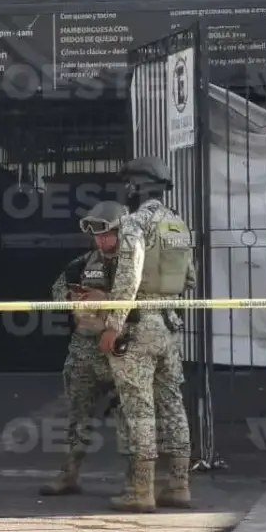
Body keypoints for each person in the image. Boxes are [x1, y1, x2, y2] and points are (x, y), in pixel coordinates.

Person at [98, 156, 195, 513]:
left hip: (139, 323)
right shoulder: (178, 224)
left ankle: (141, 491)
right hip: (170, 323)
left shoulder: (134, 223)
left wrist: (114, 324)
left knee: (139, 407)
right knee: (173, 403)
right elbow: (190, 278)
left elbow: (129, 277)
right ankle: (179, 485)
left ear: (134, 186)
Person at [40, 200, 132, 496]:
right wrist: (73, 297)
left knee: (130, 417)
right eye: (96, 235)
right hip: (84, 348)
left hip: (122, 349)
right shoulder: (82, 264)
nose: (101, 240)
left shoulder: (135, 266)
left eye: (106, 233)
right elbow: (57, 292)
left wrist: (106, 299)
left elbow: (146, 302)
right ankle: (69, 473)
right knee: (78, 415)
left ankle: (136, 482)